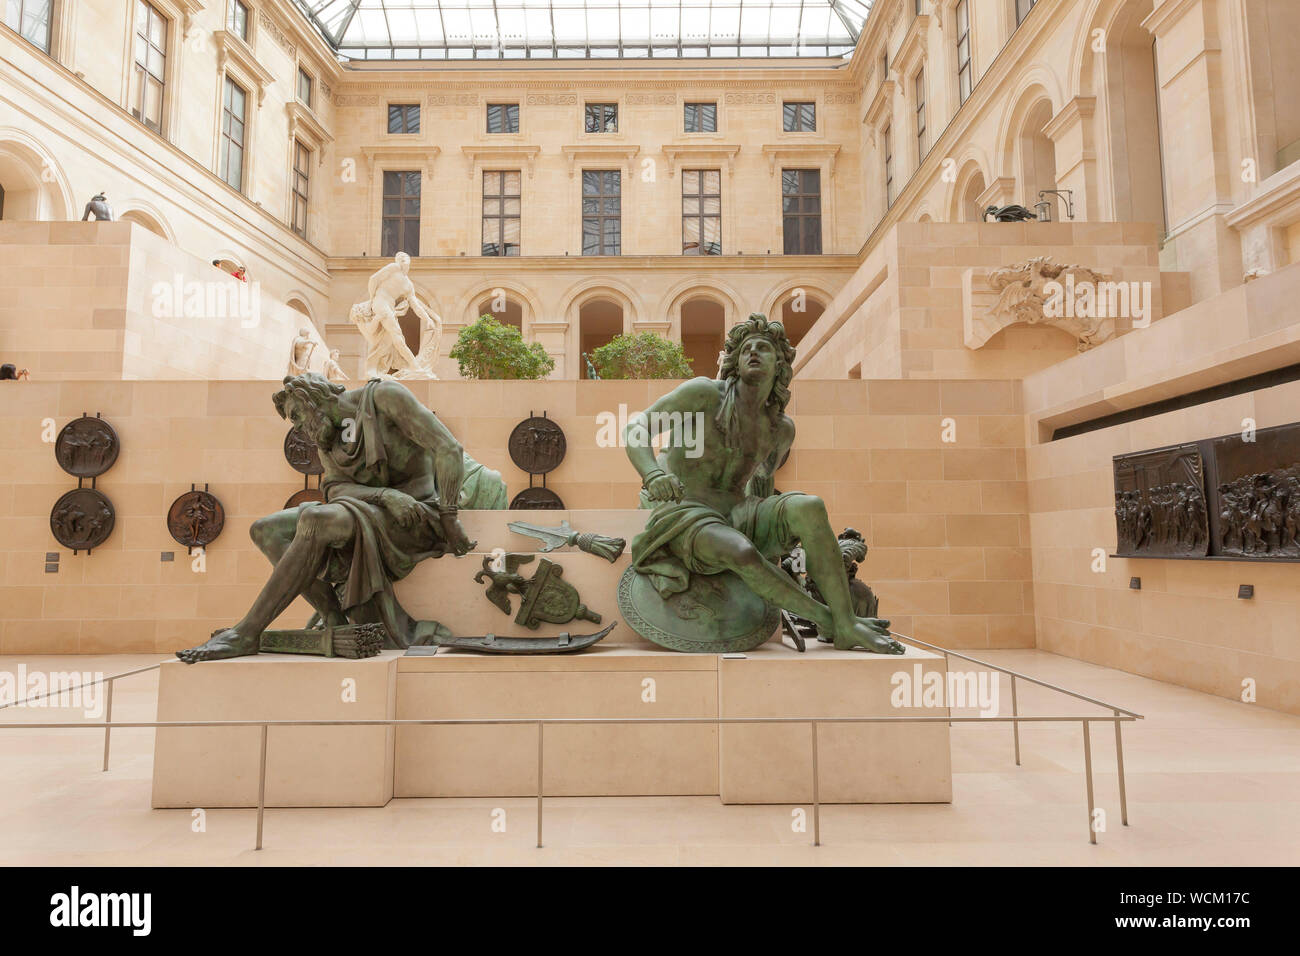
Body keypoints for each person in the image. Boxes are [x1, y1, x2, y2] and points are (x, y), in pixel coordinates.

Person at [623, 313, 902, 653]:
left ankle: (846, 621)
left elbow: (762, 484)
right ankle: (831, 622)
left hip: (738, 511)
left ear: (780, 364)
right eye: (746, 349)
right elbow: (636, 428)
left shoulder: (781, 429)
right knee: (740, 550)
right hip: (682, 511)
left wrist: (778, 546)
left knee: (809, 507)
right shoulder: (703, 394)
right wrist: (653, 474)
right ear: (736, 363)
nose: (754, 352)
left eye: (764, 348)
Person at [176, 373, 478, 662]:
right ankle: (334, 617)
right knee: (264, 530)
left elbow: (448, 448)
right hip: (373, 510)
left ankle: (246, 633)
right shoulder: (327, 442)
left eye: (296, 416)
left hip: (416, 515)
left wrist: (450, 518)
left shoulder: (385, 397)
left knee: (317, 521)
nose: (297, 428)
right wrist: (384, 496)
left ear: (313, 400)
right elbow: (336, 489)